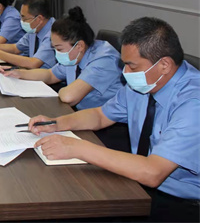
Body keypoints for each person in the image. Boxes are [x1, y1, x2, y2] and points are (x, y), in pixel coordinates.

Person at [29, 17, 199, 222]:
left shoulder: (193, 103)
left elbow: (153, 172)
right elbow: (100, 115)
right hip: (137, 177)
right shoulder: (145, 82)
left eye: (132, 67)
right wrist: (56, 123)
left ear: (164, 65)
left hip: (179, 202)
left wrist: (76, 147)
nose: (125, 73)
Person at [1, 7, 122, 109]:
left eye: (59, 49)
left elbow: (69, 97)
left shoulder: (103, 60)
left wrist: (61, 90)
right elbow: (50, 75)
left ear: (79, 45)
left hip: (107, 123)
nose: (56, 53)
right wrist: (19, 73)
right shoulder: (75, 54)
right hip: (80, 113)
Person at [0, 0, 56, 69]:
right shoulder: (35, 29)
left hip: (45, 76)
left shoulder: (53, 34)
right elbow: (15, 48)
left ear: (39, 19)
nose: (21, 21)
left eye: (24, 18)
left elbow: (33, 63)